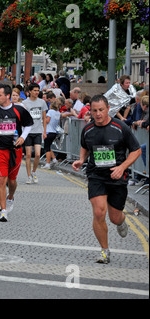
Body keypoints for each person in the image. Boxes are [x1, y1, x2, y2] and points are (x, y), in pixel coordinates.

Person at [72, 95, 141, 264]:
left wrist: (122, 167)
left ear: (108, 108)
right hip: (96, 175)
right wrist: (82, 159)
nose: (98, 114)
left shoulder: (120, 127)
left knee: (114, 217)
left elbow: (136, 150)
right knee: (98, 212)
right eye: (94, 110)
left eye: (101, 110)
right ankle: (104, 251)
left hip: (117, 177)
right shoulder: (87, 129)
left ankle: (121, 221)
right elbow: (84, 146)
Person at [0, 83, 34, 222]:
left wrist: (23, 137)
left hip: (15, 150)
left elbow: (29, 124)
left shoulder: (19, 110)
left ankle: (10, 197)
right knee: (1, 179)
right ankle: (3, 211)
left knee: (12, 181)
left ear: (7, 96)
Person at [22, 83, 47, 184]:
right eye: (35, 90)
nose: (37, 92)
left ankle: (33, 172)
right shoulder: (25, 103)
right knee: (28, 155)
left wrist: (44, 131)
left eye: (38, 90)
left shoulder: (42, 102)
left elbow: (44, 118)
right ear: (30, 92)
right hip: (28, 131)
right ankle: (28, 176)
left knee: (37, 154)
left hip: (38, 131)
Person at [42, 100, 62, 169]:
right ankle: (54, 159)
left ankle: (48, 164)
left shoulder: (50, 112)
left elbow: (47, 121)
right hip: (54, 132)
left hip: (48, 131)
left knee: (47, 148)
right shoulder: (58, 113)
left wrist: (43, 119)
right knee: (49, 146)